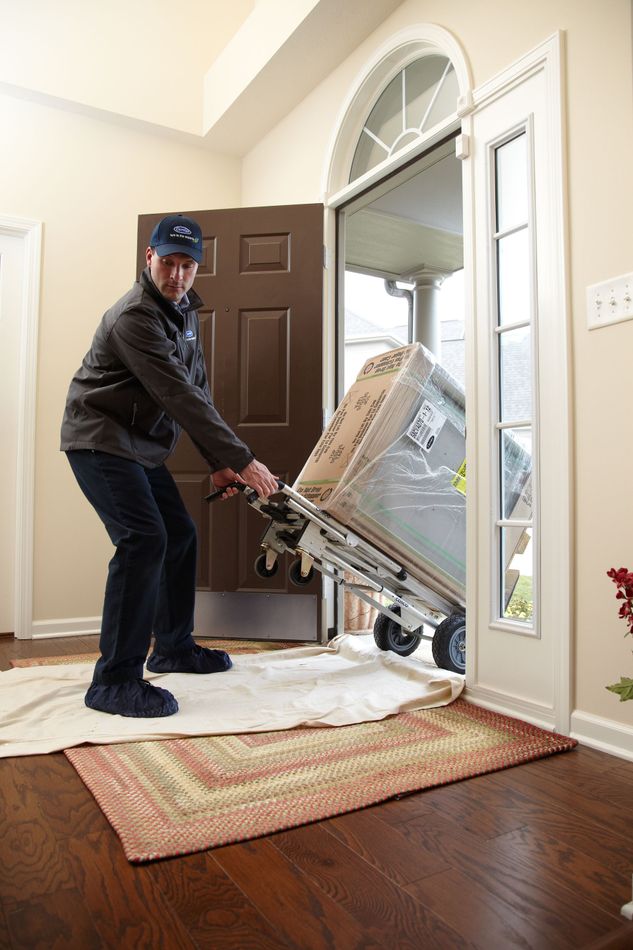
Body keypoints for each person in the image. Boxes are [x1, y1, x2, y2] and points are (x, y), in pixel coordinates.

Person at [61, 214, 278, 718]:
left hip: (138, 446)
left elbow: (196, 386)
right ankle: (114, 681)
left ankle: (175, 648)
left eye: (188, 265)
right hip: (99, 438)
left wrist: (217, 465)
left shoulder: (184, 312)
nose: (177, 275)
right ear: (149, 258)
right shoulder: (134, 316)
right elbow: (176, 395)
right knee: (143, 541)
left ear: (196, 267)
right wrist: (242, 461)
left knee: (178, 535)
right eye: (169, 262)